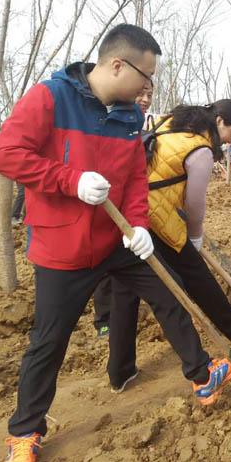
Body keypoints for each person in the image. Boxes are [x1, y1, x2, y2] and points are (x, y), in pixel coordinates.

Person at [0, 24, 231, 462]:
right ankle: (24, 432)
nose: (148, 87)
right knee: (49, 339)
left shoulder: (129, 116)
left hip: (116, 238)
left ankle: (203, 376)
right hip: (62, 248)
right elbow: (5, 153)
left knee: (167, 297)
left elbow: (131, 181)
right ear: (116, 65)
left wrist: (140, 225)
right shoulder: (50, 98)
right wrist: (70, 180)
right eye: (146, 77)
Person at [107, 101, 231, 393]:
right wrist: (194, 234)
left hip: (125, 211)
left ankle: (120, 371)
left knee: (125, 292)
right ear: (219, 122)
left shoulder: (171, 125)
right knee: (192, 271)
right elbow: (195, 203)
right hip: (152, 216)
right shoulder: (200, 149)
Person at [94, 86, 155, 339]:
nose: (145, 99)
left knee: (123, 269)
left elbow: (138, 175)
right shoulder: (106, 119)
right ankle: (103, 321)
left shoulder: (138, 125)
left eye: (150, 94)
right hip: (99, 205)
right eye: (140, 92)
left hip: (127, 208)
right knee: (102, 271)